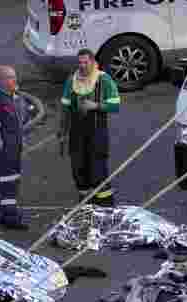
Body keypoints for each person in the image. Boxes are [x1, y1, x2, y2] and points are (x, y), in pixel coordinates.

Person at [58, 49, 121, 208]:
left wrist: (96, 105)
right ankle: (85, 206)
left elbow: (115, 106)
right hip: (76, 134)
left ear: (92, 62)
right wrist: (62, 133)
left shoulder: (103, 80)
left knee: (98, 171)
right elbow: (65, 109)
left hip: (97, 133)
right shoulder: (71, 81)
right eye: (80, 62)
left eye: (86, 62)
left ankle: (106, 206)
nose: (83, 66)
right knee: (79, 170)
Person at [0, 65, 31, 230]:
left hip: (14, 145)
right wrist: (2, 148)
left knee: (10, 179)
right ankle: (10, 216)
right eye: (10, 77)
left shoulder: (12, 97)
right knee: (8, 181)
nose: (14, 80)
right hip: (6, 148)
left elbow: (18, 122)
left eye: (14, 77)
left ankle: (2, 210)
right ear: (2, 80)